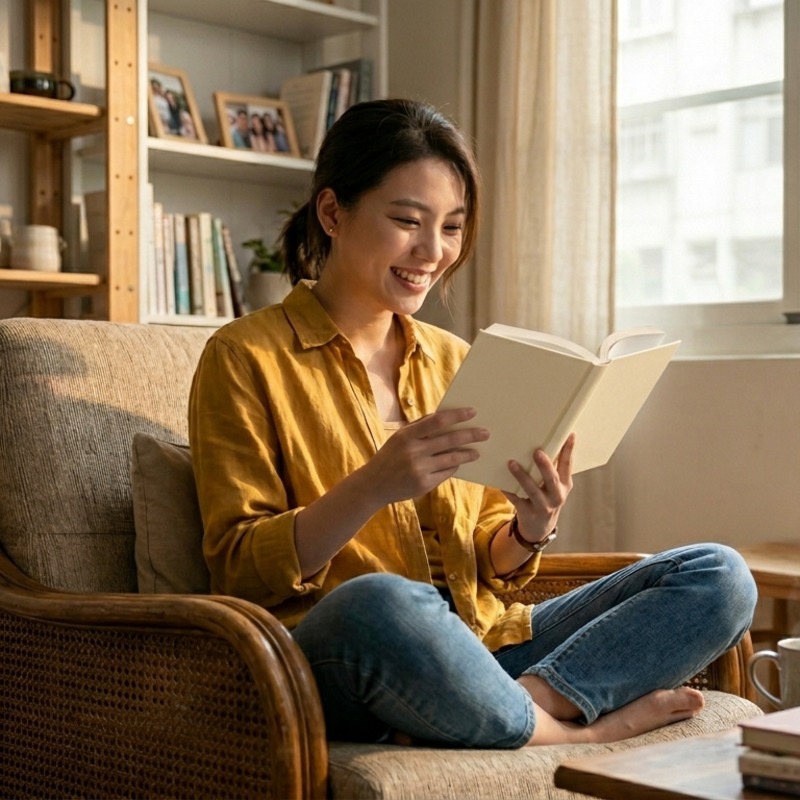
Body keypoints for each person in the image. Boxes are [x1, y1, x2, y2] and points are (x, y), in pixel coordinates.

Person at [188, 98, 757, 748]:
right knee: (385, 600)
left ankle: (529, 703)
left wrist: (528, 528)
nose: (433, 251)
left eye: (453, 227)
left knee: (718, 573)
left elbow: (488, 558)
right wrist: (372, 485)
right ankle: (571, 734)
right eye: (407, 220)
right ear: (332, 212)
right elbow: (237, 569)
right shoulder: (244, 357)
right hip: (347, 651)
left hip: (480, 645)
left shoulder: (455, 360)